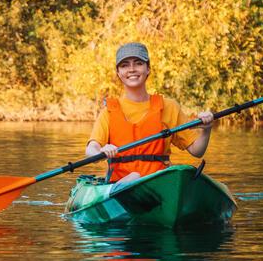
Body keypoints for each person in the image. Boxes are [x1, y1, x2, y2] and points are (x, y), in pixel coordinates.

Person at [85, 42, 214, 185]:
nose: (132, 69)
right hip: (120, 186)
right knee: (133, 178)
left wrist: (206, 130)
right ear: (118, 73)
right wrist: (101, 151)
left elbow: (197, 151)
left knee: (177, 173)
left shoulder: (169, 107)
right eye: (125, 65)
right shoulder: (109, 112)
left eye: (138, 63)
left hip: (160, 183)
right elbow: (91, 149)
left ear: (148, 69)